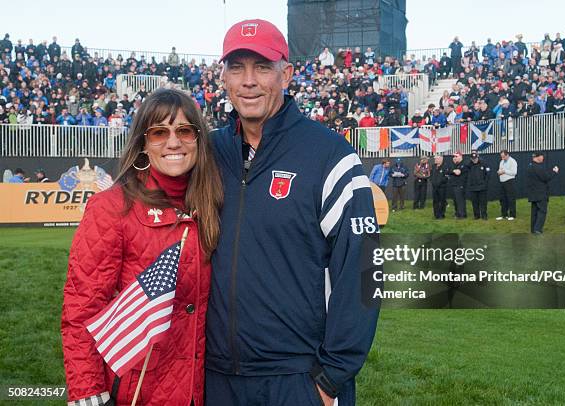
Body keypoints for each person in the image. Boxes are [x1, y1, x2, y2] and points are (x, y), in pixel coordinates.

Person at [206, 19, 380, 406]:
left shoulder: (330, 155)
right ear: (223, 78)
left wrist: (332, 376)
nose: (248, 80)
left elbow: (365, 269)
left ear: (286, 74)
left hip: (299, 378)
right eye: (237, 67)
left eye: (262, 67)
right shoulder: (207, 153)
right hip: (215, 378)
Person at [61, 89, 223, 406]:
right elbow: (81, 312)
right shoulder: (111, 207)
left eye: (185, 130)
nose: (173, 142)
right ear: (143, 144)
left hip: (201, 389)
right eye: (159, 132)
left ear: (198, 140)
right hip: (134, 391)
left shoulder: (211, 204)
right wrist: (89, 393)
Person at [526, 151, 559, 234]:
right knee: (542, 211)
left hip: (533, 194)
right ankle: (537, 229)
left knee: (534, 213)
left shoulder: (530, 166)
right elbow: (546, 177)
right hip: (541, 194)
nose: (543, 158)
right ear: (538, 157)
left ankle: (533, 230)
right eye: (542, 156)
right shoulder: (538, 167)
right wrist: (554, 172)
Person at [465, 151, 490, 220]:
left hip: (482, 187)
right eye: (473, 159)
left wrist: (485, 184)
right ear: (471, 159)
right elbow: (465, 172)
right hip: (473, 187)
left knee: (483, 203)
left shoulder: (484, 163)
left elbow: (488, 175)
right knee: (474, 203)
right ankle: (476, 216)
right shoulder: (469, 165)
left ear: (478, 157)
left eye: (475, 158)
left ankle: (484, 215)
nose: (474, 160)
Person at [496, 150, 517, 220]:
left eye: (503, 157)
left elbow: (514, 172)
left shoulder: (513, 161)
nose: (502, 158)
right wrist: (499, 172)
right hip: (502, 182)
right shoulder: (501, 162)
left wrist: (504, 171)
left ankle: (512, 215)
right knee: (502, 199)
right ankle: (504, 215)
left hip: (510, 182)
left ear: (507, 155)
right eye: (501, 157)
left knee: (511, 198)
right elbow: (500, 170)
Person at [448, 151, 467, 219]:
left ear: (460, 156)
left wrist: (453, 171)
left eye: (456, 156)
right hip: (454, 184)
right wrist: (453, 171)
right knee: (455, 200)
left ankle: (462, 215)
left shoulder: (464, 164)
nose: (454, 158)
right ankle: (457, 213)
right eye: (454, 157)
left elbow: (458, 172)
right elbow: (448, 171)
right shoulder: (454, 164)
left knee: (460, 200)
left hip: (460, 185)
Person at [431, 155, 448, 219]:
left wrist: (439, 183)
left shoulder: (445, 166)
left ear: (441, 159)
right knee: (435, 201)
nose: (435, 160)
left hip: (442, 187)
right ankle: (436, 214)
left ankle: (441, 214)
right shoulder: (433, 166)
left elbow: (446, 177)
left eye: (437, 159)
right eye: (435, 159)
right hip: (434, 187)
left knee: (442, 201)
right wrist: (432, 181)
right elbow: (431, 175)